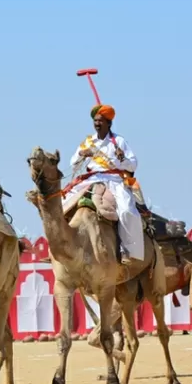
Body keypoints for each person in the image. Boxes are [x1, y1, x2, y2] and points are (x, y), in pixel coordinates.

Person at [63, 104, 142, 264]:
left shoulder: (118, 142)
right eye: (95, 121)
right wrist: (81, 154)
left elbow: (133, 165)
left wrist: (122, 159)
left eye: (100, 121)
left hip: (114, 181)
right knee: (62, 204)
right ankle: (62, 248)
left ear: (108, 123)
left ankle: (128, 251)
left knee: (127, 210)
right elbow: (73, 163)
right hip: (91, 179)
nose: (97, 123)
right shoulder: (88, 142)